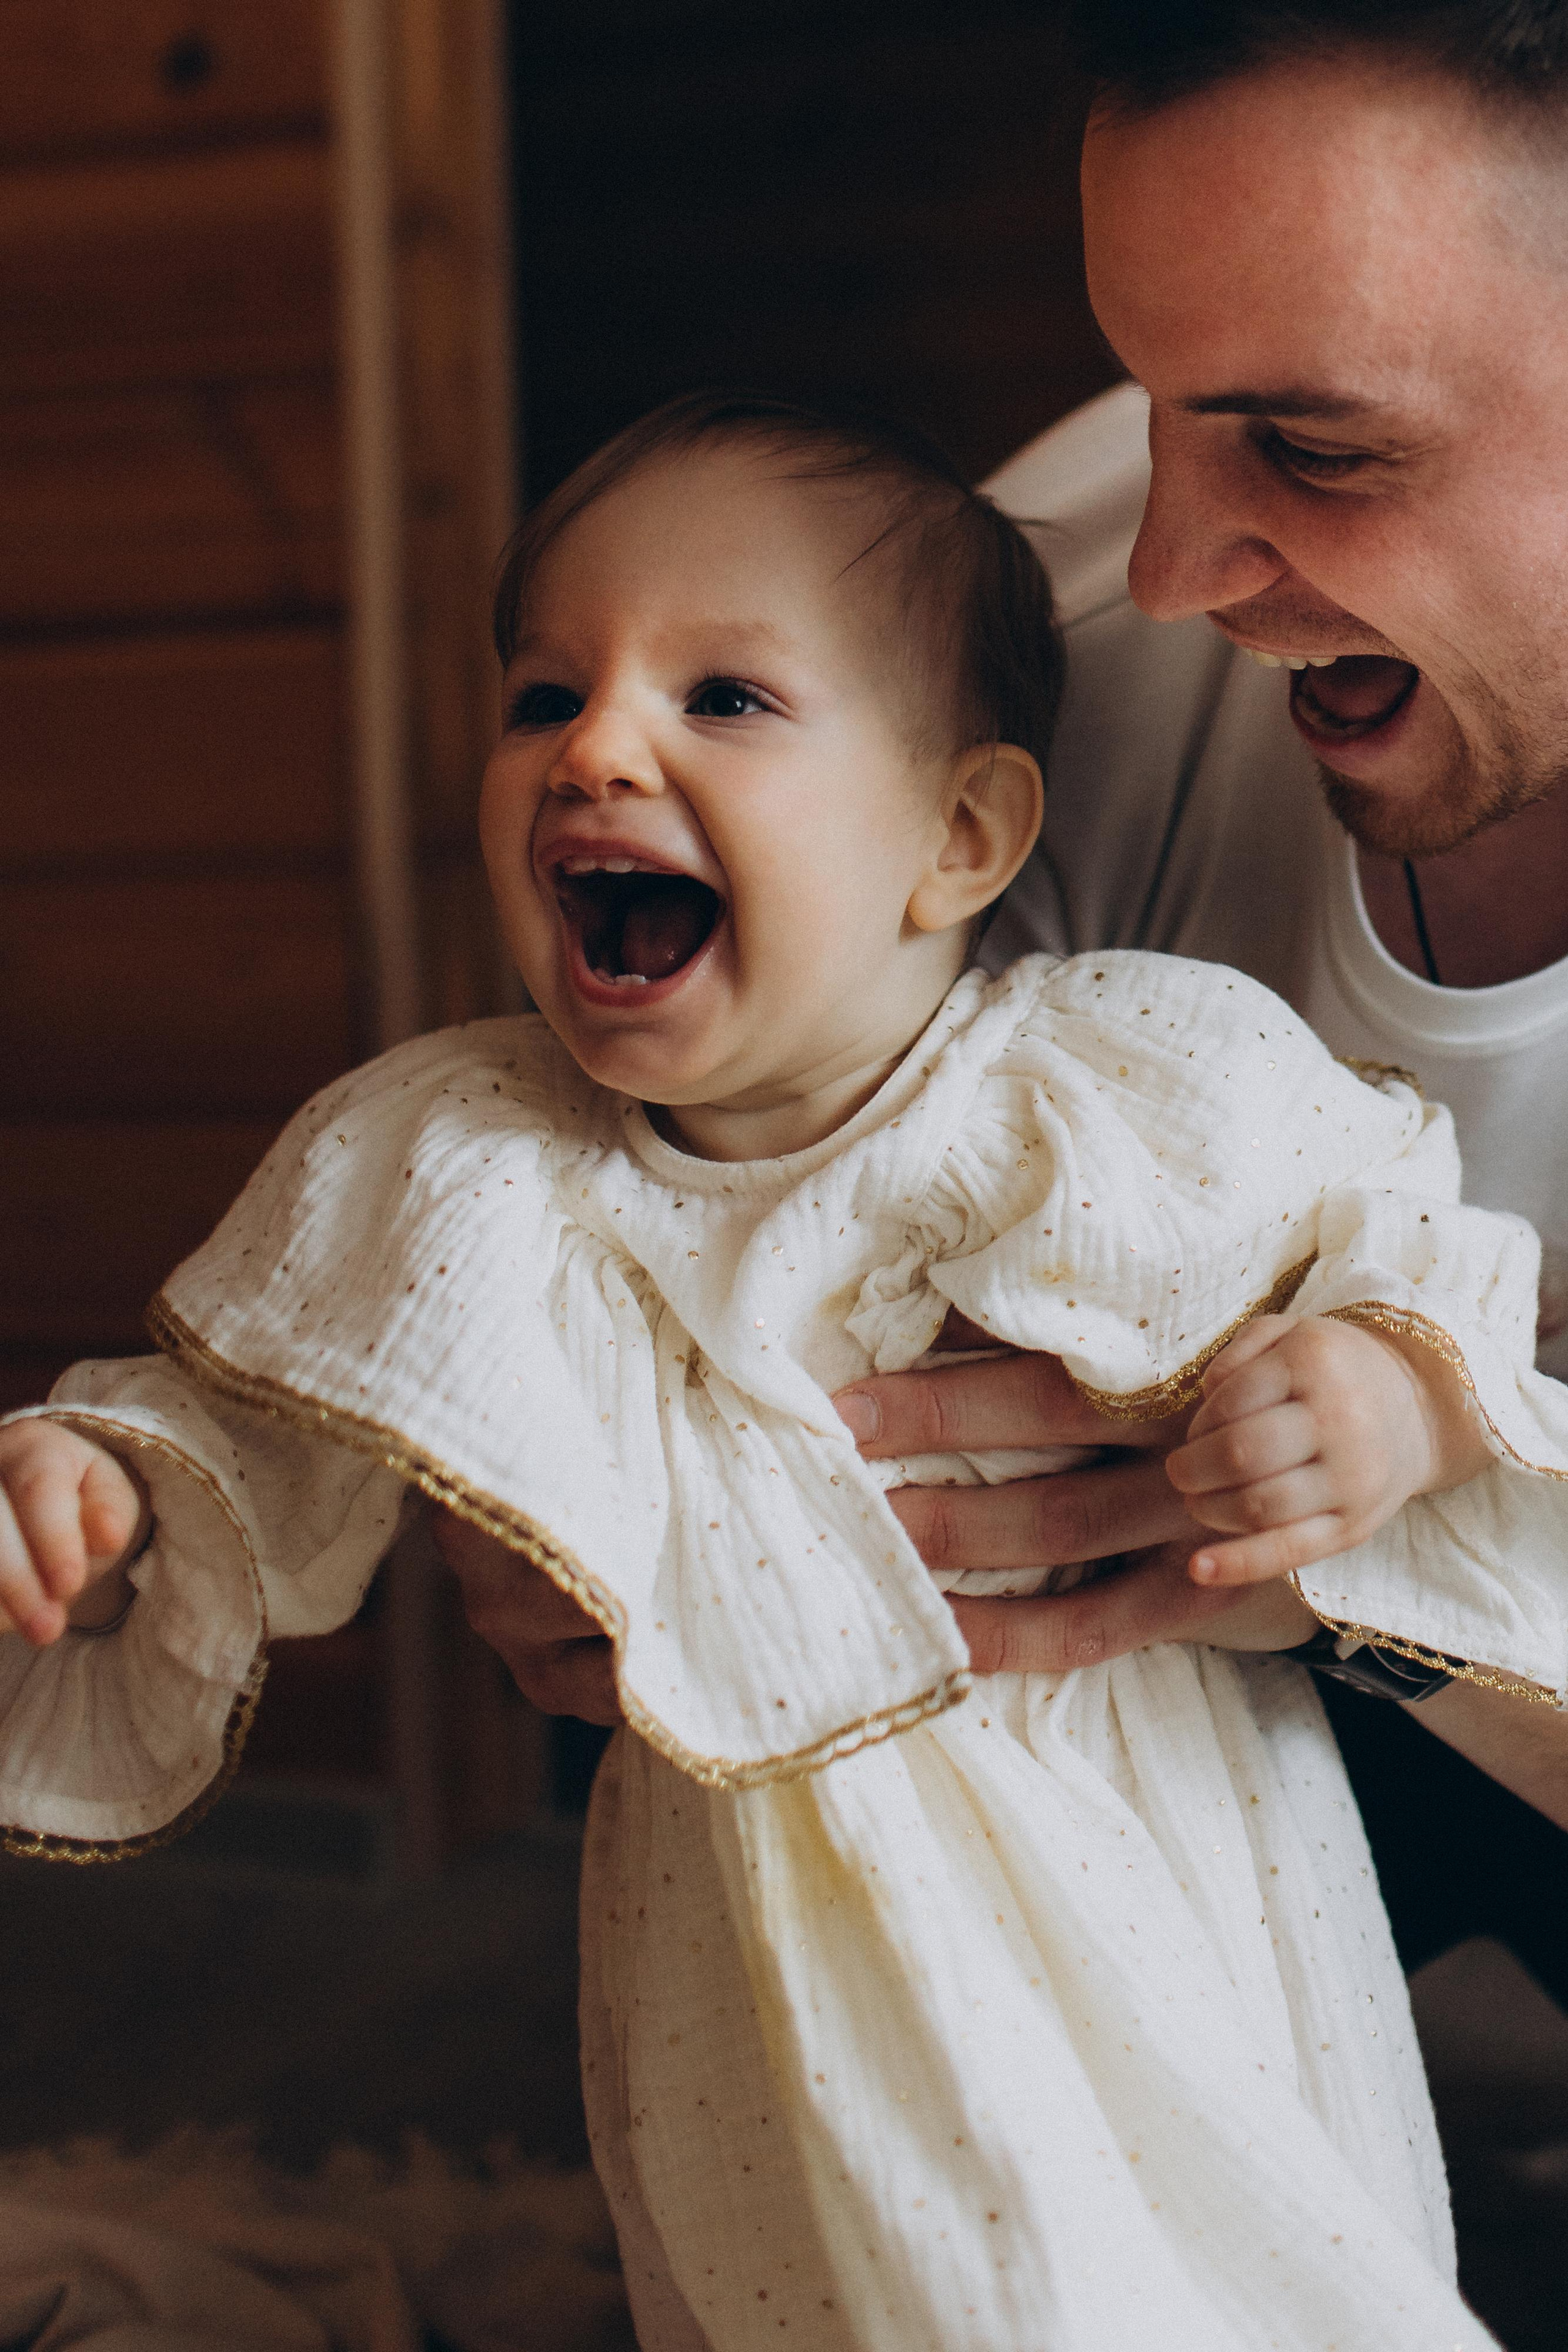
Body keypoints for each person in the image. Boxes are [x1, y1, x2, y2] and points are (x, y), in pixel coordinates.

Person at [2, 392, 1564, 2347]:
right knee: (798, 2276)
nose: (598, 744)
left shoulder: (1101, 1086)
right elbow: (266, 1394)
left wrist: (1389, 1393)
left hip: (1140, 1840)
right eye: (541, 694)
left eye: (722, 697)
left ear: (962, 834)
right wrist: (120, 1486)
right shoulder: (478, 1154)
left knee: (1193, 2261)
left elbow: (1414, 1238)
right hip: (750, 1915)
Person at [451, 0, 1568, 1986]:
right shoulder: (1011, 651)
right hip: (1140, 1747)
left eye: (1319, 450)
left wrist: (1350, 1574)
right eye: (1150, 402)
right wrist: (577, 1458)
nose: (1168, 566)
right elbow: (721, 1192)